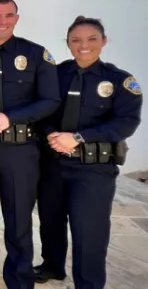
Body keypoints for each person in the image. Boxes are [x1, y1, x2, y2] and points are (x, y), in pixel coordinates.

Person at [35, 16, 142, 288]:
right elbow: (42, 110)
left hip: (94, 169)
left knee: (88, 230)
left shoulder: (120, 80)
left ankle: (89, 283)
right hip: (53, 163)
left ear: (103, 41)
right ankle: (52, 266)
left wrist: (78, 138)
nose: (84, 45)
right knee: (50, 220)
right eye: (76, 40)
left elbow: (126, 123)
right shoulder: (56, 75)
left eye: (92, 39)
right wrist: (51, 134)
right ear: (69, 44)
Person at [0, 0, 60, 288]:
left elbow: (50, 100)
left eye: (8, 15)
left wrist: (10, 118)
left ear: (16, 19)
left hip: (19, 148)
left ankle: (19, 276)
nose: (2, 21)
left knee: (18, 214)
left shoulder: (36, 55)